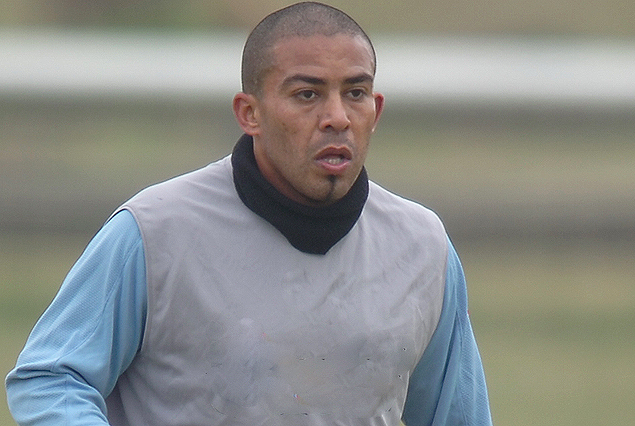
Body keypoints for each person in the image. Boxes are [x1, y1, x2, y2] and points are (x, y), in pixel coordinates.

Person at [6, 2, 492, 425]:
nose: (337, 117)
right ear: (249, 114)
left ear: (376, 110)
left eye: (355, 93)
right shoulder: (154, 232)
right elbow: (51, 377)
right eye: (307, 94)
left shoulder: (422, 246)